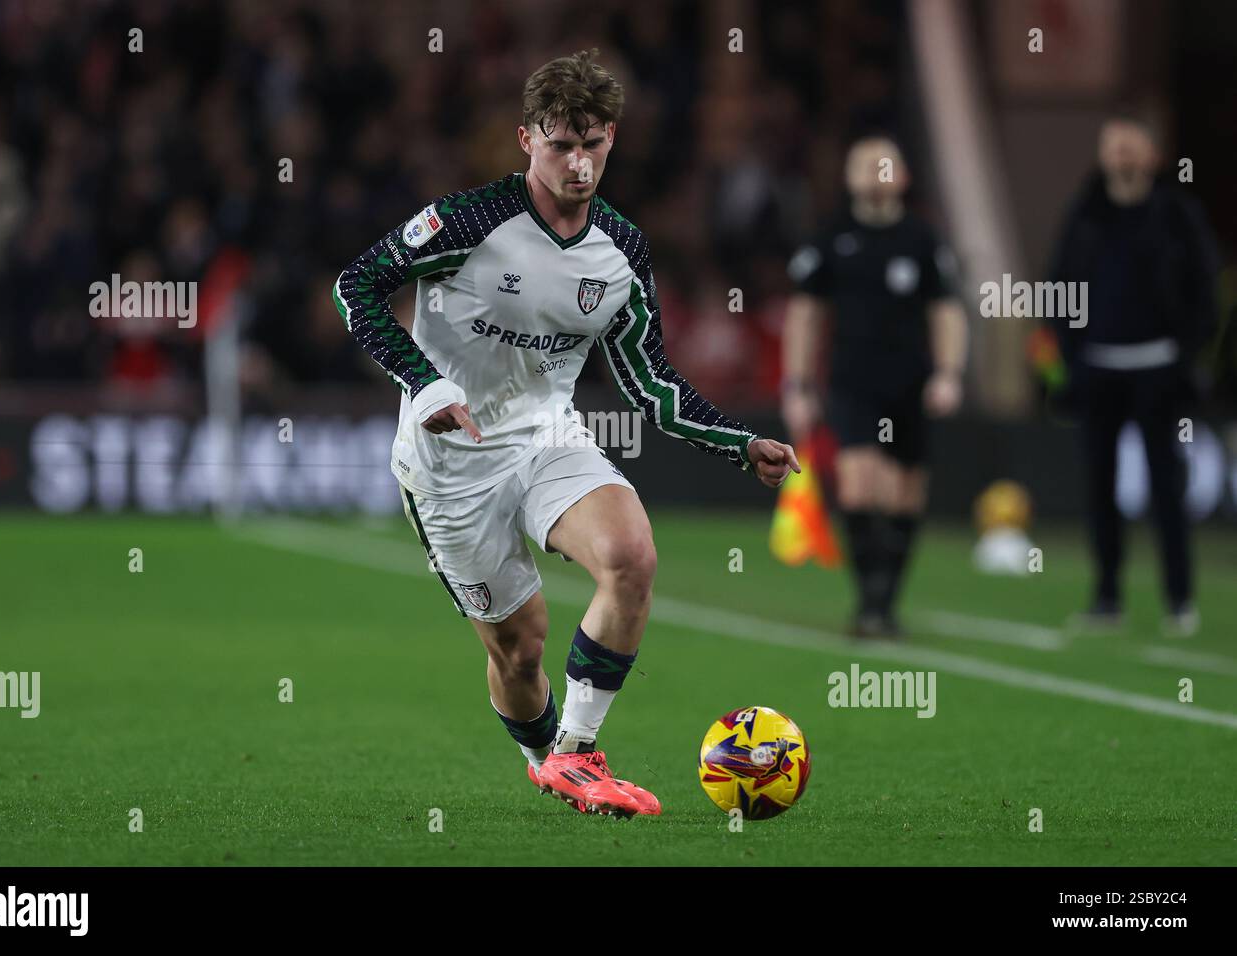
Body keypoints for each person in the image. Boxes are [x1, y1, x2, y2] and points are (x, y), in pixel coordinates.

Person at [333, 50, 798, 818]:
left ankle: (579, 754)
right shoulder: (468, 221)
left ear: (611, 137)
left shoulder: (619, 251)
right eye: (560, 145)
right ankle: (546, 758)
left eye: (593, 144)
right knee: (520, 649)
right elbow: (356, 287)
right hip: (451, 467)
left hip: (549, 439)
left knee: (631, 556)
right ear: (526, 140)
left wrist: (737, 442)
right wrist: (428, 383)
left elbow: (650, 381)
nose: (578, 163)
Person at [781, 136, 966, 637]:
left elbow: (946, 311)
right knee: (861, 484)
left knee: (906, 495)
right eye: (865, 164)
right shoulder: (831, 238)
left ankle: (886, 602)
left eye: (886, 164)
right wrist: (797, 384)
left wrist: (948, 374)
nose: (876, 172)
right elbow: (804, 314)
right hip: (852, 382)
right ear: (849, 176)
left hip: (911, 384)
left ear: (903, 177)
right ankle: (870, 604)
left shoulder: (923, 240)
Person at [1050, 113, 1219, 638]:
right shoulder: (1084, 215)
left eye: (1131, 146)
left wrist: (1184, 354)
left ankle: (1179, 597)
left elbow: (1204, 290)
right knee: (1099, 487)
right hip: (1098, 369)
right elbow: (1058, 288)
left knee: (1166, 487)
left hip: (1158, 370)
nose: (1121, 155)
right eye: (1112, 146)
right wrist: (1072, 356)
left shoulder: (1176, 215)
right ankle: (1106, 596)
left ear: (1152, 156)